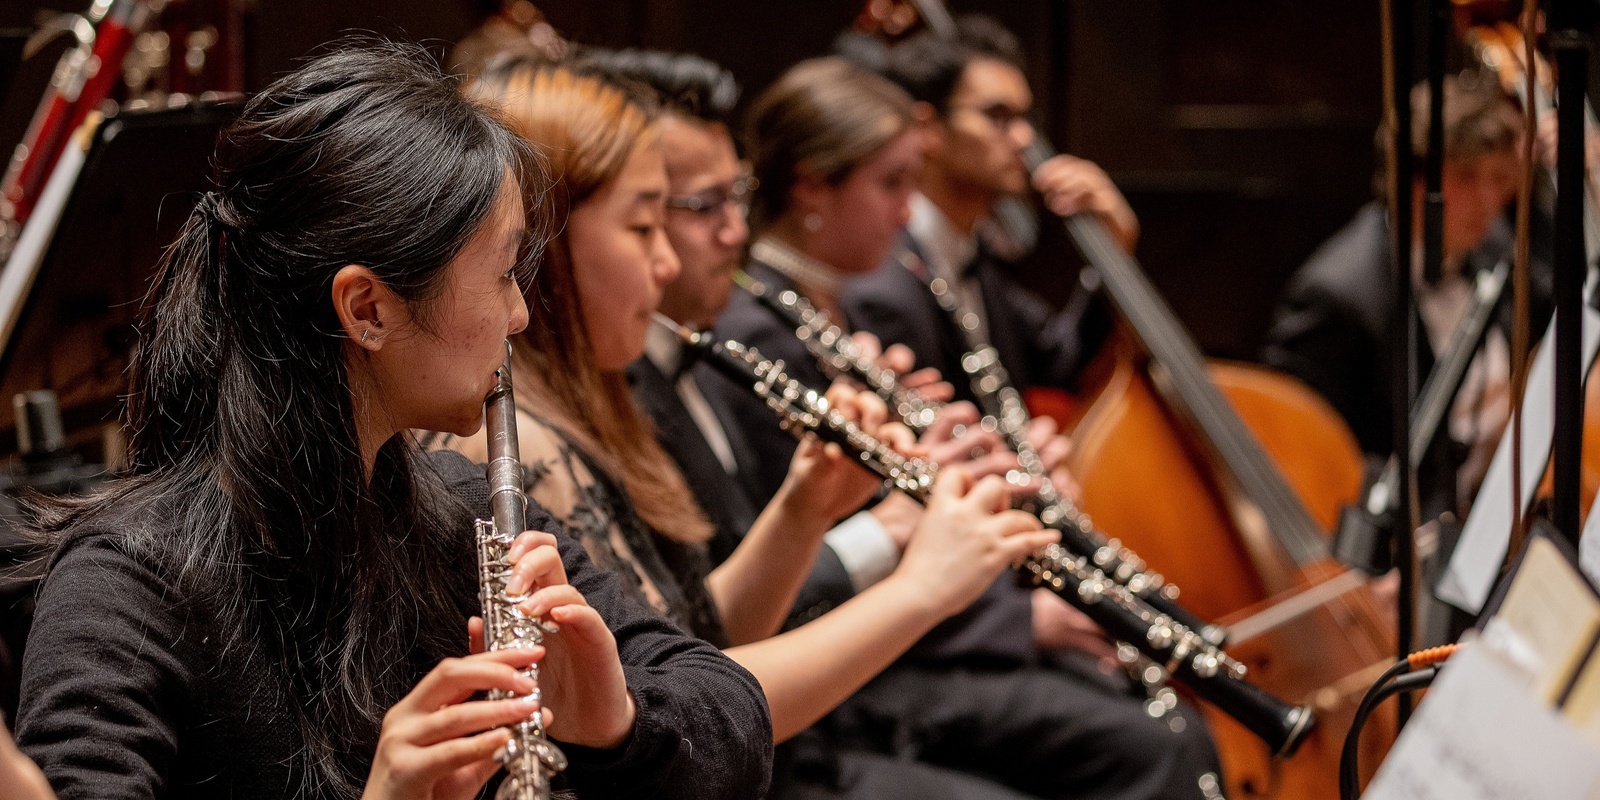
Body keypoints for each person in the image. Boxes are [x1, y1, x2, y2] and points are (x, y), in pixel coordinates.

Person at [15, 42, 772, 800]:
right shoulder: (125, 588)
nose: (518, 315)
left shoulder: (468, 515)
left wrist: (620, 722)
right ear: (367, 309)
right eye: (505, 274)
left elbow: (733, 709)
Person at [447, 57, 1062, 797]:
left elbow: (692, 644)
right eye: (646, 226)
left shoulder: (598, 401)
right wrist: (923, 587)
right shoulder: (511, 447)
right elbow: (672, 710)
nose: (668, 259)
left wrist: (807, 506)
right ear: (543, 246)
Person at [709, 54, 1222, 800]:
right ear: (812, 186)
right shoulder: (768, 328)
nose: (906, 211)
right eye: (891, 184)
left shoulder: (830, 303)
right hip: (864, 667)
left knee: (1152, 719)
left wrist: (957, 461)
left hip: (912, 631)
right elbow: (805, 559)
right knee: (1143, 743)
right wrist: (1012, 614)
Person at [1262, 74, 1542, 509]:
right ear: (1412, 181)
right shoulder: (1334, 296)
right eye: (1466, 178)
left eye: (1499, 178)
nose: (1489, 200)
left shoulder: (1490, 243)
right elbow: (1300, 456)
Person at [841, 15, 1130, 410]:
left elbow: (1063, 361)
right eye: (998, 116)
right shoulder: (883, 282)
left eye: (1025, 117)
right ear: (929, 128)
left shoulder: (975, 258)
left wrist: (1115, 252)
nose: (1024, 138)